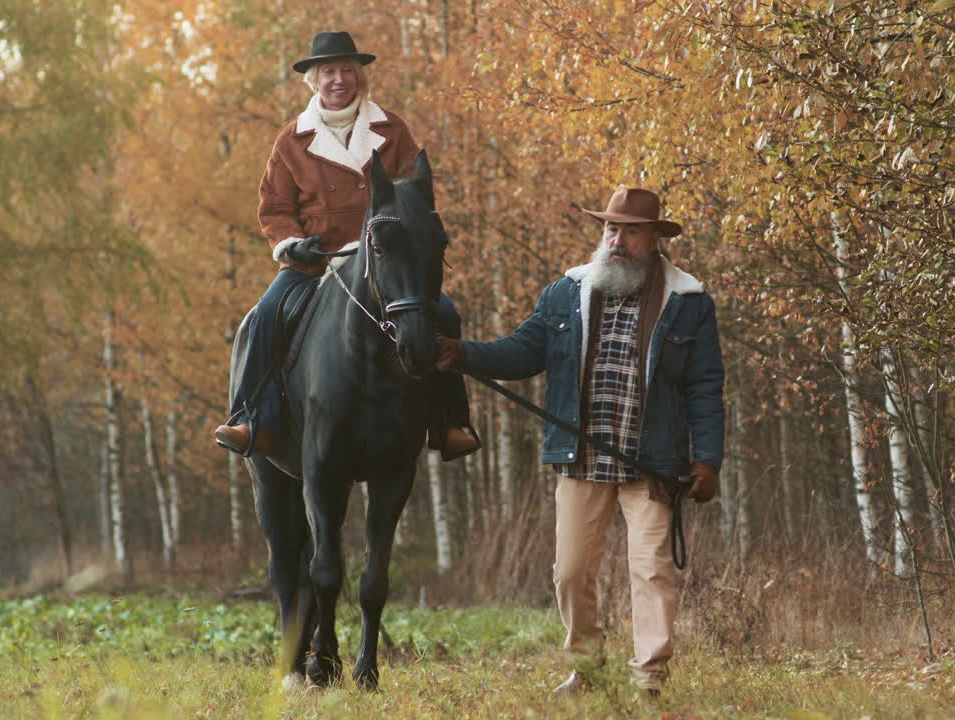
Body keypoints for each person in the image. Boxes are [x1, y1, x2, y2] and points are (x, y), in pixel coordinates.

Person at [436, 186, 724, 696]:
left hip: (653, 463)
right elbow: (523, 352)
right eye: (611, 229)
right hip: (581, 457)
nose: (617, 240)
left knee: (651, 571)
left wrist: (708, 459)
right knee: (569, 573)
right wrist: (463, 354)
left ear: (654, 238)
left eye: (631, 231)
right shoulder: (566, 292)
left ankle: (649, 679)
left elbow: (705, 384)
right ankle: (587, 669)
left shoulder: (689, 303)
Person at [215, 30, 480, 460]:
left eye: (347, 71)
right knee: (262, 316)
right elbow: (275, 205)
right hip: (316, 264)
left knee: (446, 313)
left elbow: (415, 192)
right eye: (329, 72)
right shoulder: (290, 139)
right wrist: (290, 244)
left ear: (359, 77)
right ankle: (250, 418)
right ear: (314, 80)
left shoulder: (392, 129)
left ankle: (450, 421)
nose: (339, 79)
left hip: (387, 264)